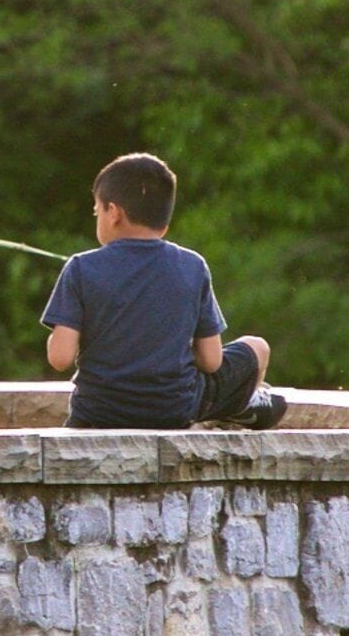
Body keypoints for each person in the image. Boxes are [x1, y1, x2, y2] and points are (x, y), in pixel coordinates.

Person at [41, 152, 285, 432]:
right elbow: (211, 360)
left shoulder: (80, 268)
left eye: (97, 212)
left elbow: (59, 359)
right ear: (164, 225)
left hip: (95, 413)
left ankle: (244, 406)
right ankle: (243, 406)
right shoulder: (193, 266)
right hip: (173, 410)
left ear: (114, 212)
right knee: (258, 347)